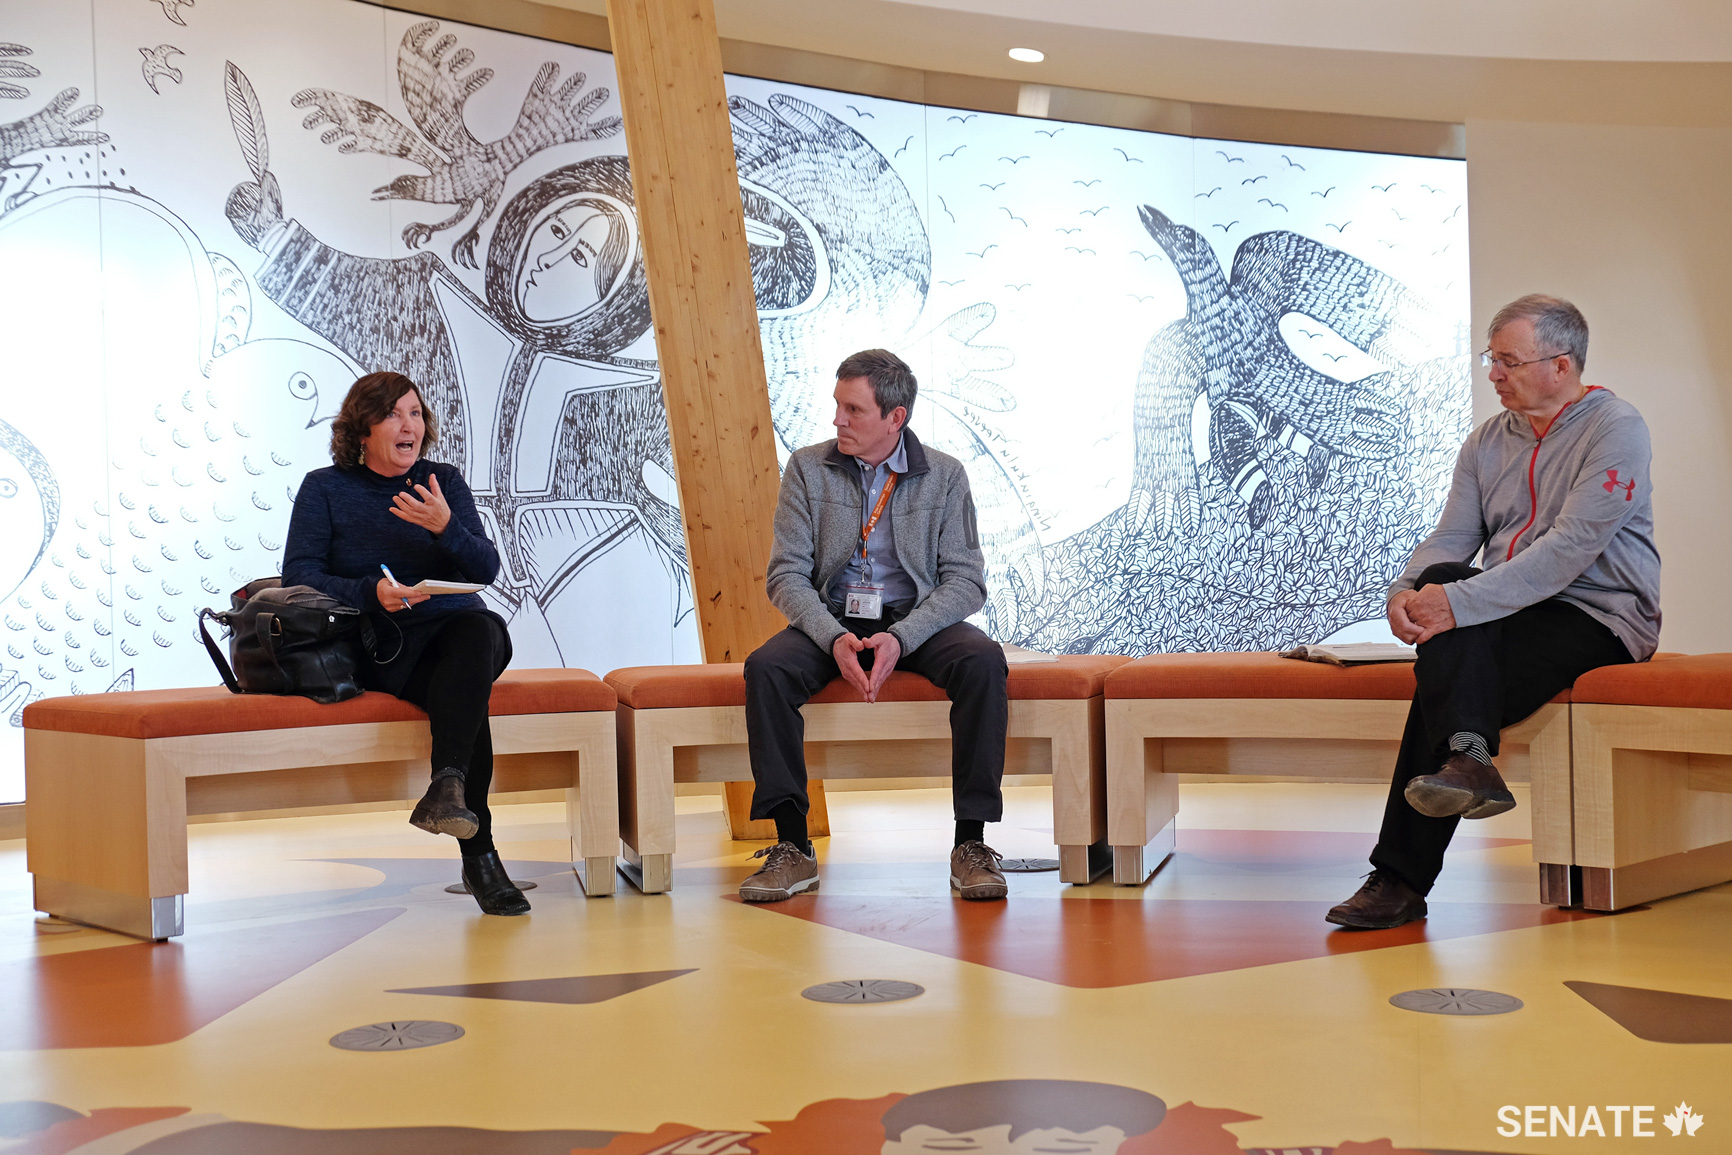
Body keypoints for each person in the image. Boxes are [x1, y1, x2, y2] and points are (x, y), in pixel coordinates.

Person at [1328, 295, 1660, 929]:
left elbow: (1568, 553)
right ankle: (1470, 760)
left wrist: (1450, 604)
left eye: (1507, 360)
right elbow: (1453, 539)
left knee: (1443, 670)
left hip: (1600, 616)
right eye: (1491, 358)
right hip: (1508, 614)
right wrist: (1405, 594)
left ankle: (1399, 878)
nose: (1493, 374)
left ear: (1560, 365)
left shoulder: (1617, 428)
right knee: (1445, 583)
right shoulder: (1485, 440)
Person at [738, 349, 1011, 902]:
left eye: (853, 410)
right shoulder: (806, 468)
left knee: (983, 660)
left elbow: (965, 582)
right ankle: (793, 846)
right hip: (830, 618)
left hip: (918, 621)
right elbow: (785, 575)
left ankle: (971, 843)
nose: (838, 420)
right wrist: (832, 636)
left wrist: (902, 636)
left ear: (896, 418)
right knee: (765, 669)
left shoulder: (945, 476)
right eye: (837, 406)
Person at [282, 371, 528, 916]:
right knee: (467, 697)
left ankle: (450, 791)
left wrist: (446, 527)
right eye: (394, 414)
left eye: (415, 414)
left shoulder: (443, 482)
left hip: (459, 635)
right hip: (384, 645)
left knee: (479, 631)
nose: (408, 425)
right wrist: (370, 592)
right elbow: (298, 574)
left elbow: (485, 570)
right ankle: (477, 851)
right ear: (362, 430)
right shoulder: (326, 488)